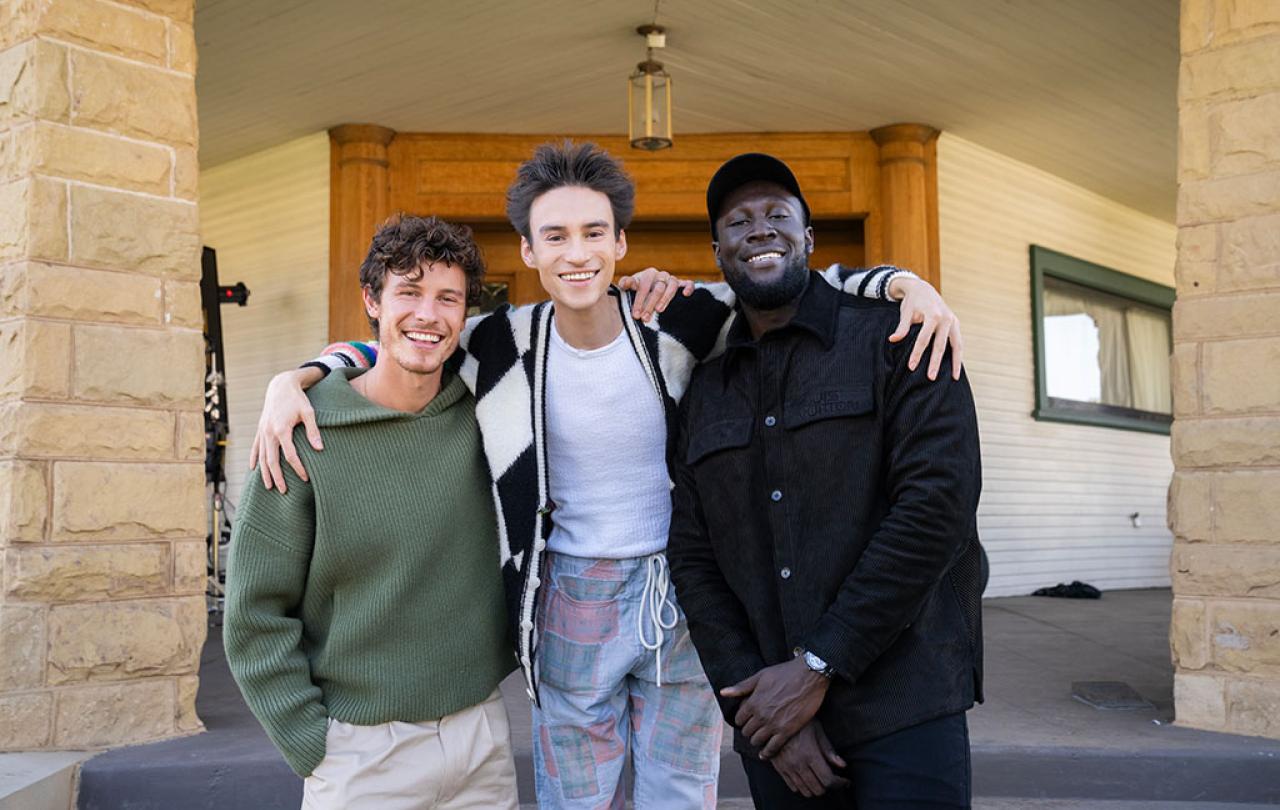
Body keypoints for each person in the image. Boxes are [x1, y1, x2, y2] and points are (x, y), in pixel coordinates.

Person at [251, 142, 964, 808]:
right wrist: (302, 375)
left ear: (621, 243)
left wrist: (903, 284)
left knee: (679, 794)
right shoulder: (500, 342)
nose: (577, 253)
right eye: (555, 237)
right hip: (567, 597)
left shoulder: (678, 320)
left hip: (677, 596)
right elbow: (404, 337)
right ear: (528, 250)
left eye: (595, 233)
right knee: (575, 798)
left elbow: (794, 283)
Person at [666, 153, 984, 809]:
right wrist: (760, 712)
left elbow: (937, 509)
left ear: (809, 239)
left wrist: (818, 666)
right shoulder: (704, 389)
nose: (760, 229)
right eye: (738, 221)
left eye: (778, 214)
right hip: (780, 731)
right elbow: (694, 557)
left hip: (906, 701)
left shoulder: (901, 337)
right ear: (719, 252)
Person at [224, 216, 519, 809]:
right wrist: (314, 743)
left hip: (481, 738)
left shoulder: (491, 411)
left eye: (448, 298)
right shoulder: (301, 432)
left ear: (466, 314)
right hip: (359, 754)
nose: (428, 315)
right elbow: (254, 612)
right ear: (373, 302)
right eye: (408, 292)